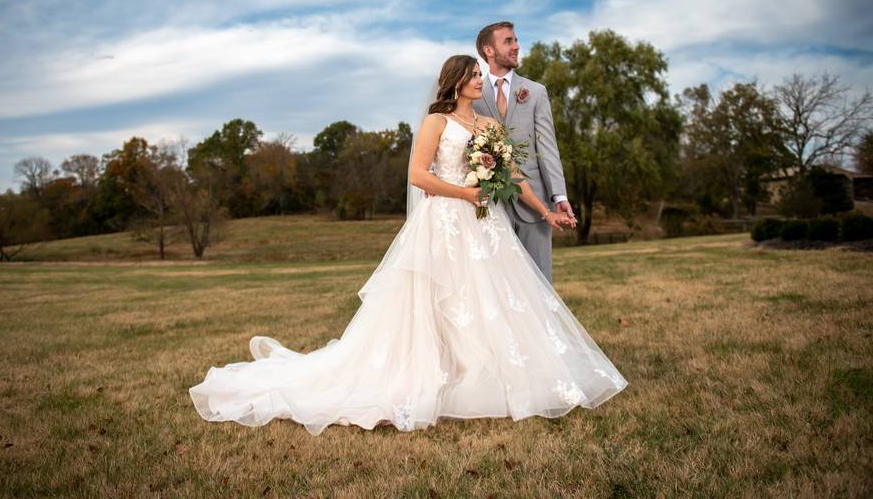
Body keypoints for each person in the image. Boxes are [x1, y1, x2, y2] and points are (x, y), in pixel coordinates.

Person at [189, 55, 627, 435]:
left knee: (490, 299)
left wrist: (548, 211)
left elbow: (514, 177)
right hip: (447, 221)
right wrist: (465, 193)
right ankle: (438, 373)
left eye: (480, 73)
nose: (480, 79)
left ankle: (484, 373)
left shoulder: (490, 125)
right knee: (443, 300)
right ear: (456, 81)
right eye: (474, 74)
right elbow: (419, 176)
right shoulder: (436, 122)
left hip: (484, 223)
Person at [474, 21, 572, 284]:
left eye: (516, 40)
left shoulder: (536, 92)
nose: (517, 46)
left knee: (540, 284)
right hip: (490, 207)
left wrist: (558, 194)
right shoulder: (472, 94)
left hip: (535, 203)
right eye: (508, 41)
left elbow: (548, 148)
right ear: (489, 50)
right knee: (497, 288)